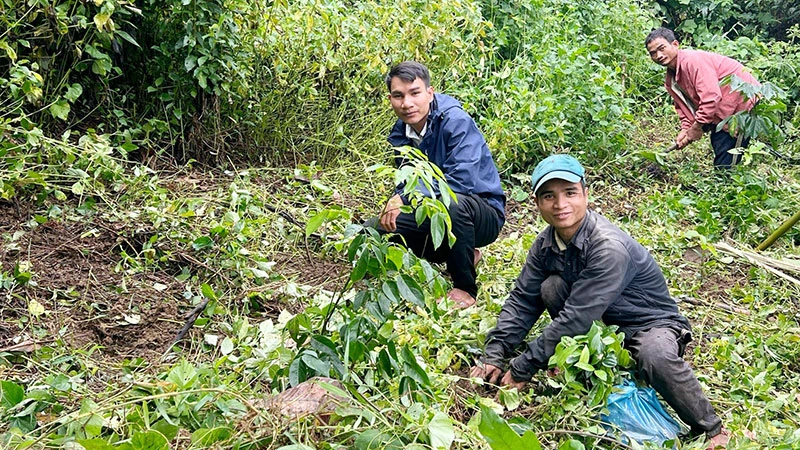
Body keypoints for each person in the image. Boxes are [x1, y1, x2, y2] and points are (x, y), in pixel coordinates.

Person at [469, 154, 732, 449]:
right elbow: (523, 300)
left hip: (647, 324)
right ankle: (586, 365)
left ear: (585, 194)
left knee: (654, 354)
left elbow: (576, 317)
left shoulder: (608, 247)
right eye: (549, 196)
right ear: (537, 202)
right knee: (551, 286)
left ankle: (712, 428)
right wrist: (495, 352)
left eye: (570, 193)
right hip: (602, 324)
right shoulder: (546, 243)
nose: (560, 205)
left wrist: (522, 367)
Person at [376, 61, 506, 309]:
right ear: (390, 98)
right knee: (378, 229)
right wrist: (396, 200)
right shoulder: (401, 131)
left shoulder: (455, 121)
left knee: (452, 205)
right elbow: (405, 179)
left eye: (415, 93)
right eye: (398, 96)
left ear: (430, 92)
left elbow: (461, 181)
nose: (407, 103)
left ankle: (465, 288)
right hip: (432, 207)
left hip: (481, 212)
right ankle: (462, 255)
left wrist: (403, 199)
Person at [645, 27, 760, 168]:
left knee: (727, 161)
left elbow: (711, 97)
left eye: (661, 48)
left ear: (675, 44)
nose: (658, 55)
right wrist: (685, 130)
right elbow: (685, 108)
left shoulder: (693, 61)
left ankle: (731, 185)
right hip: (722, 114)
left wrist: (697, 126)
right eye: (653, 53)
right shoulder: (671, 80)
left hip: (742, 106)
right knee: (720, 146)